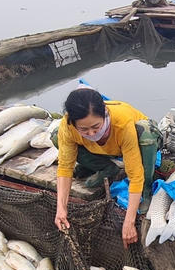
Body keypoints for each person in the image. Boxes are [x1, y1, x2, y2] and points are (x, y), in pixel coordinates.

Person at [53, 88, 160, 246]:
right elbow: (64, 168)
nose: (91, 133)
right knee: (56, 136)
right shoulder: (67, 126)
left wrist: (129, 222)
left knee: (146, 133)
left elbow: (135, 175)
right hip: (105, 150)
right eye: (83, 129)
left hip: (139, 143)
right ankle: (106, 167)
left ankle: (147, 188)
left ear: (104, 114)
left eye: (96, 126)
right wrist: (61, 208)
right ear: (73, 123)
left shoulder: (122, 123)